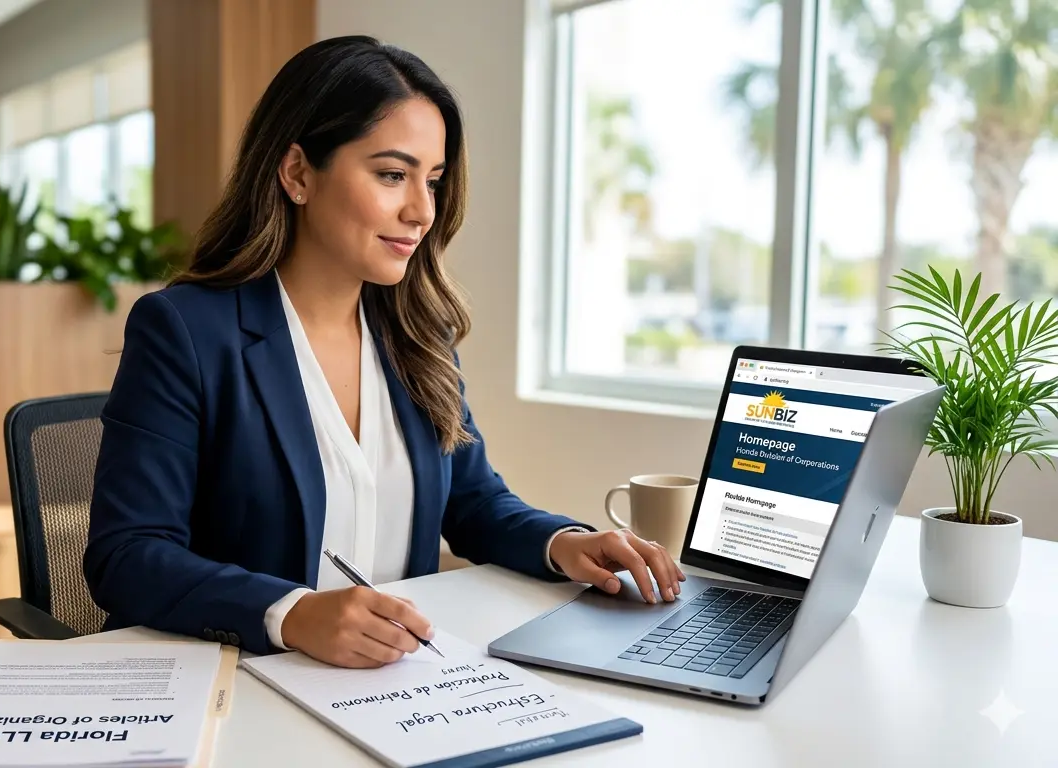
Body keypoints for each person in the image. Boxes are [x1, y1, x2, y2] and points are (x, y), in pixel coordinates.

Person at [84, 35, 684, 669]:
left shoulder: (418, 332)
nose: (422, 210)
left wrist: (566, 542)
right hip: (239, 680)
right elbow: (127, 553)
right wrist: (291, 613)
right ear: (297, 174)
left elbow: (474, 501)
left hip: (393, 684)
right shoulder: (185, 329)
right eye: (392, 175)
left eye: (433, 180)